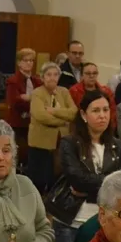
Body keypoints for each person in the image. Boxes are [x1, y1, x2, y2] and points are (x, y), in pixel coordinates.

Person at [53, 90, 121, 242]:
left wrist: (88, 188)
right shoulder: (69, 143)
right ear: (83, 114)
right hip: (72, 221)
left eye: (106, 110)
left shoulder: (117, 145)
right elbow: (77, 180)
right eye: (96, 110)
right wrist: (109, 185)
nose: (102, 115)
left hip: (105, 223)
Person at [28, 62, 77, 192]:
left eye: (55, 75)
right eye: (48, 75)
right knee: (40, 178)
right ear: (42, 77)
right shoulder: (37, 93)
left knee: (57, 176)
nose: (52, 78)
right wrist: (62, 121)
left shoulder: (64, 92)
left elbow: (73, 113)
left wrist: (54, 111)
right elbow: (41, 116)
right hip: (41, 142)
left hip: (61, 141)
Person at [4, 47, 42, 150]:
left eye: (31, 60)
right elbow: (16, 103)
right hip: (18, 124)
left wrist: (29, 98)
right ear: (19, 63)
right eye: (25, 60)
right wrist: (34, 100)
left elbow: (43, 100)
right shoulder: (13, 81)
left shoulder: (38, 81)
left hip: (35, 123)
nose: (29, 63)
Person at [69, 63, 118, 129]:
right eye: (88, 73)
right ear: (82, 75)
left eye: (94, 73)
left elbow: (112, 112)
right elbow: (72, 113)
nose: (91, 76)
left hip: (103, 127)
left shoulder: (106, 91)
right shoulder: (74, 91)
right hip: (80, 128)